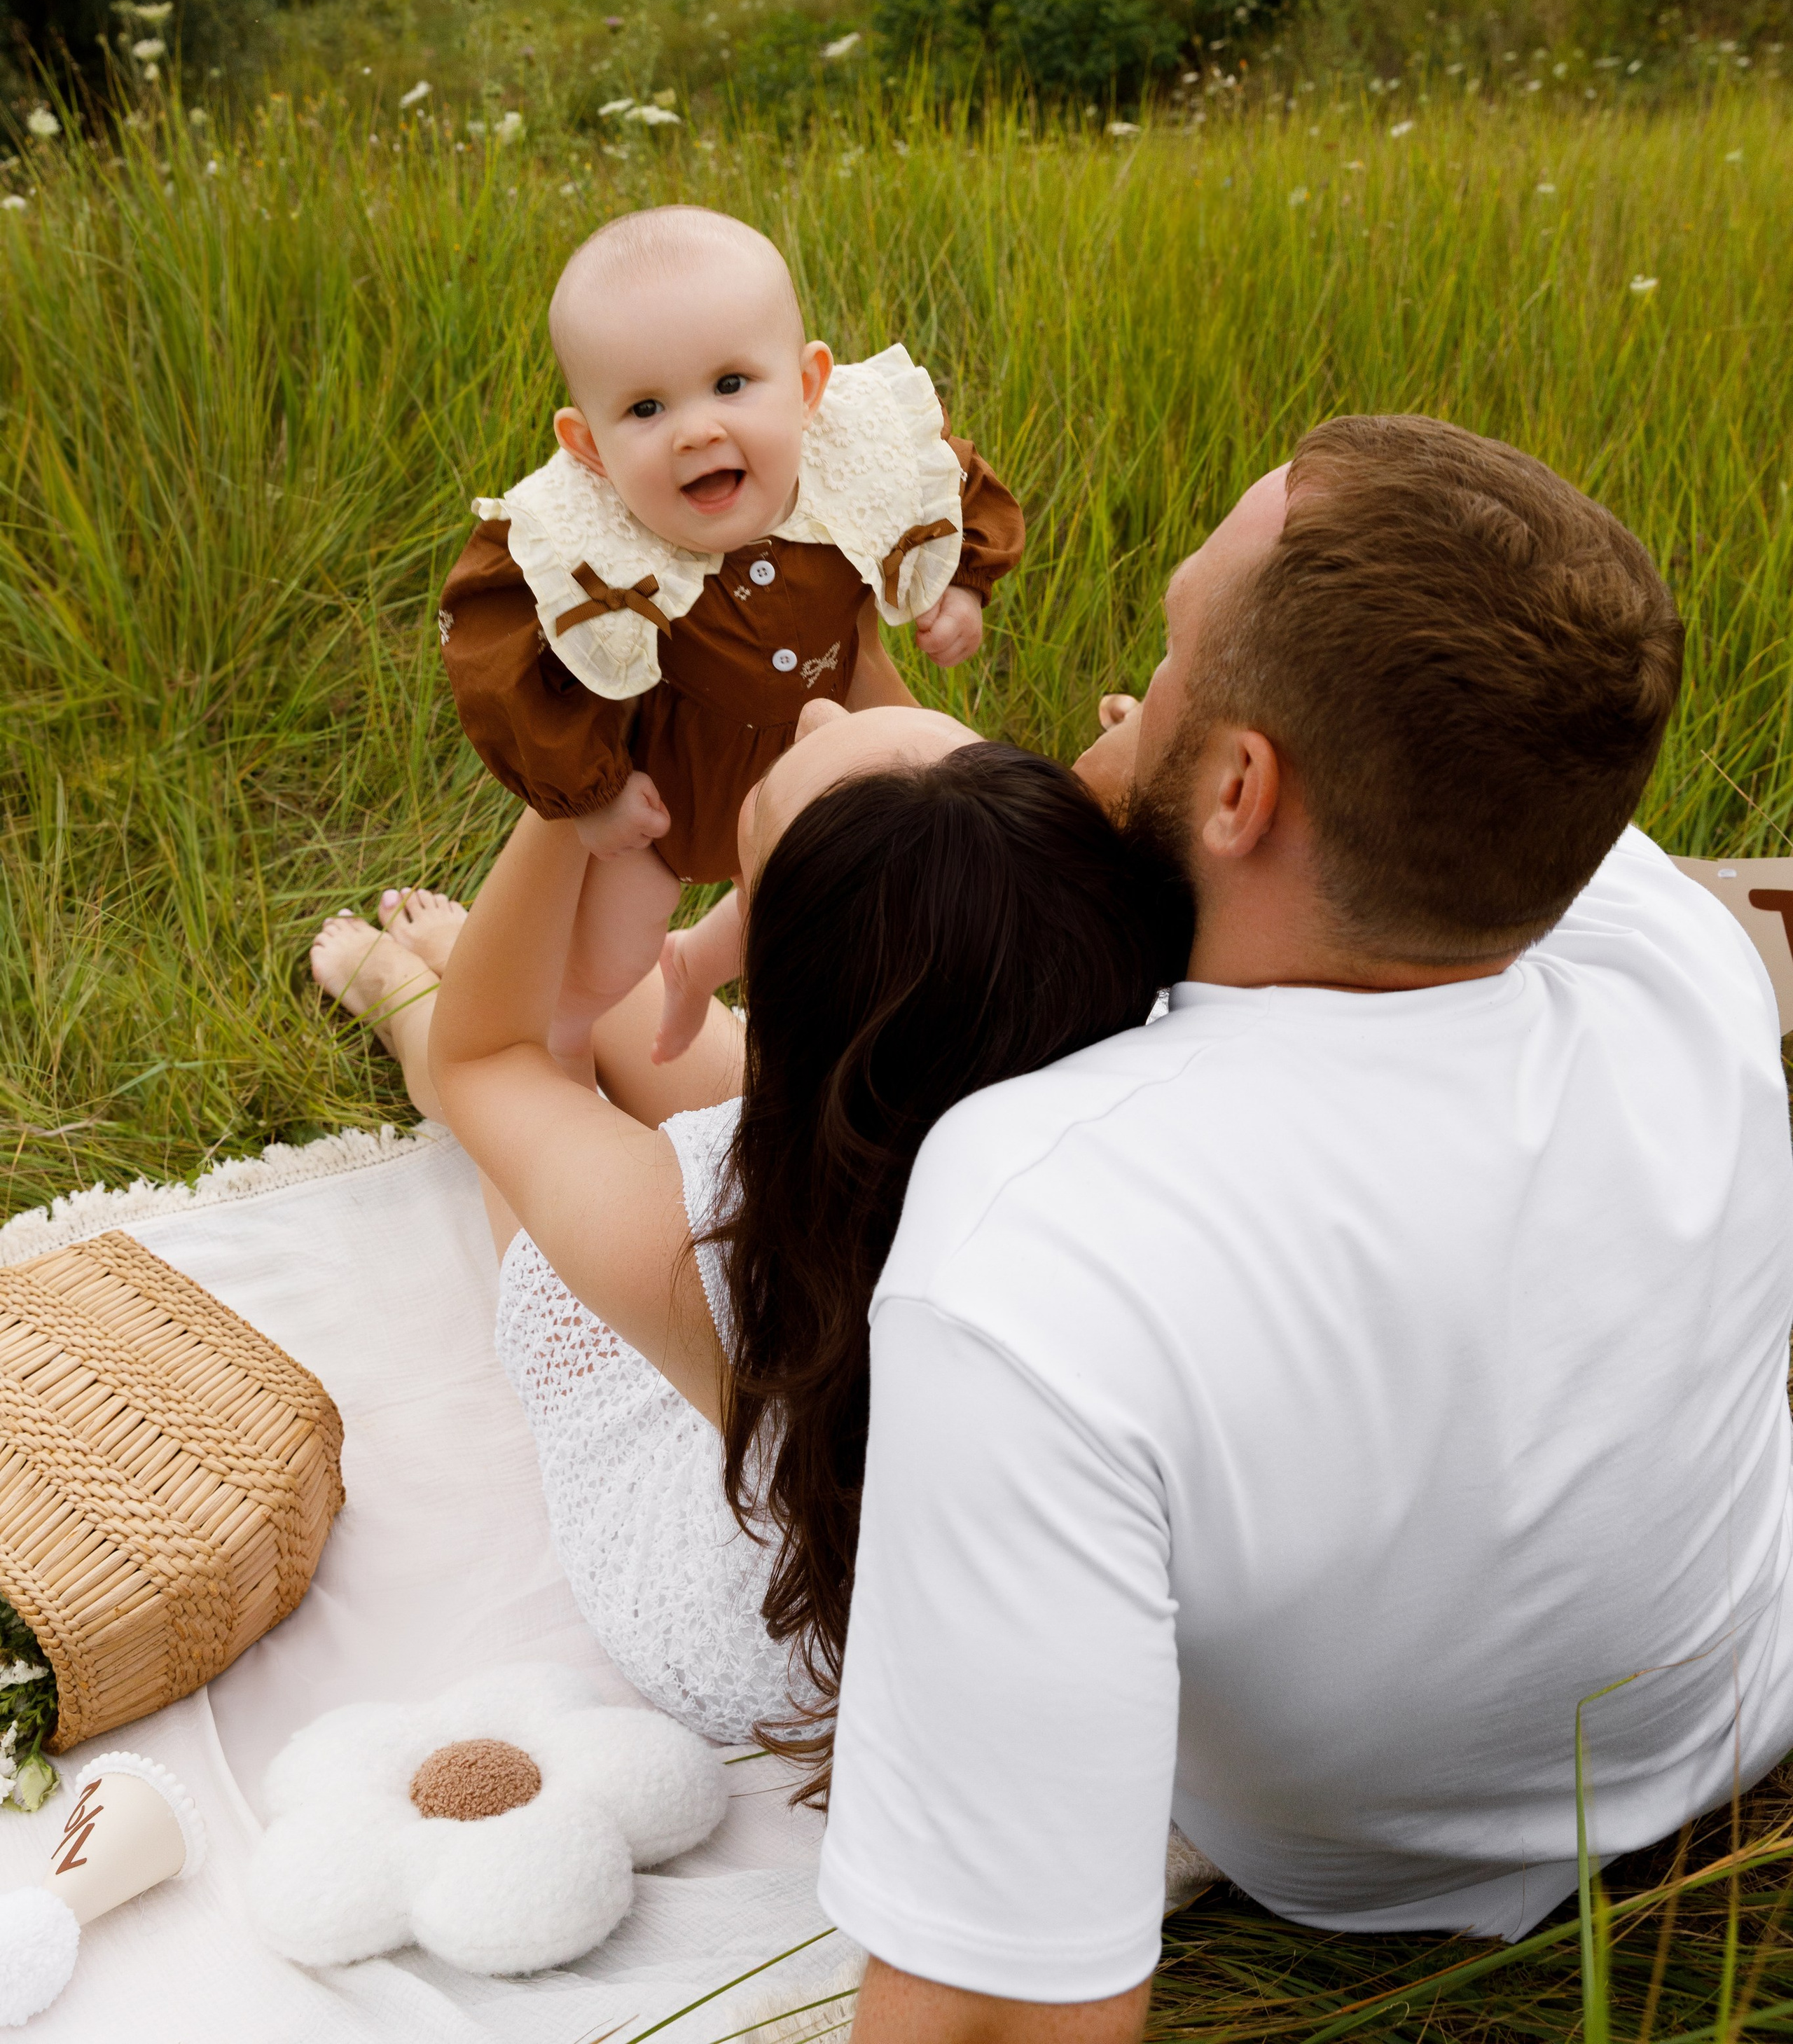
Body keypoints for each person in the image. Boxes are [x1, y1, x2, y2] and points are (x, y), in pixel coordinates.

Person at [819, 413, 1793, 2044]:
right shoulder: (1662, 953)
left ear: (1243, 785)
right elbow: (1460, 681)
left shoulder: (1039, 1217)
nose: (1125, 696)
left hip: (1358, 1865)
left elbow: (998, 2022)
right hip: (1722, 1720)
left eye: (1170, 646)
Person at [309, 701, 1189, 1753]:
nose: (815, 707)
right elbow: (935, 845)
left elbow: (489, 1060)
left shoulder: (690, 1257)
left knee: (538, 1063)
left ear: (772, 994)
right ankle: (543, 960)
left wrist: (568, 797)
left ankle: (404, 989)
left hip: (764, 1565)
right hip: (898, 1172)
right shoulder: (1146, 1023)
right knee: (655, 1007)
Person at [434, 207, 1023, 1068]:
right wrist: (592, 790)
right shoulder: (586, 537)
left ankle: (698, 967)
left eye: (732, 384)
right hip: (667, 789)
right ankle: (565, 1039)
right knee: (608, 958)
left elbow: (945, 480)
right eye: (644, 407)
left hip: (814, 748)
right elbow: (500, 656)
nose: (697, 429)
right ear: (588, 446)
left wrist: (961, 582)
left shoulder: (852, 458)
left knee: (828, 895)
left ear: (809, 385)